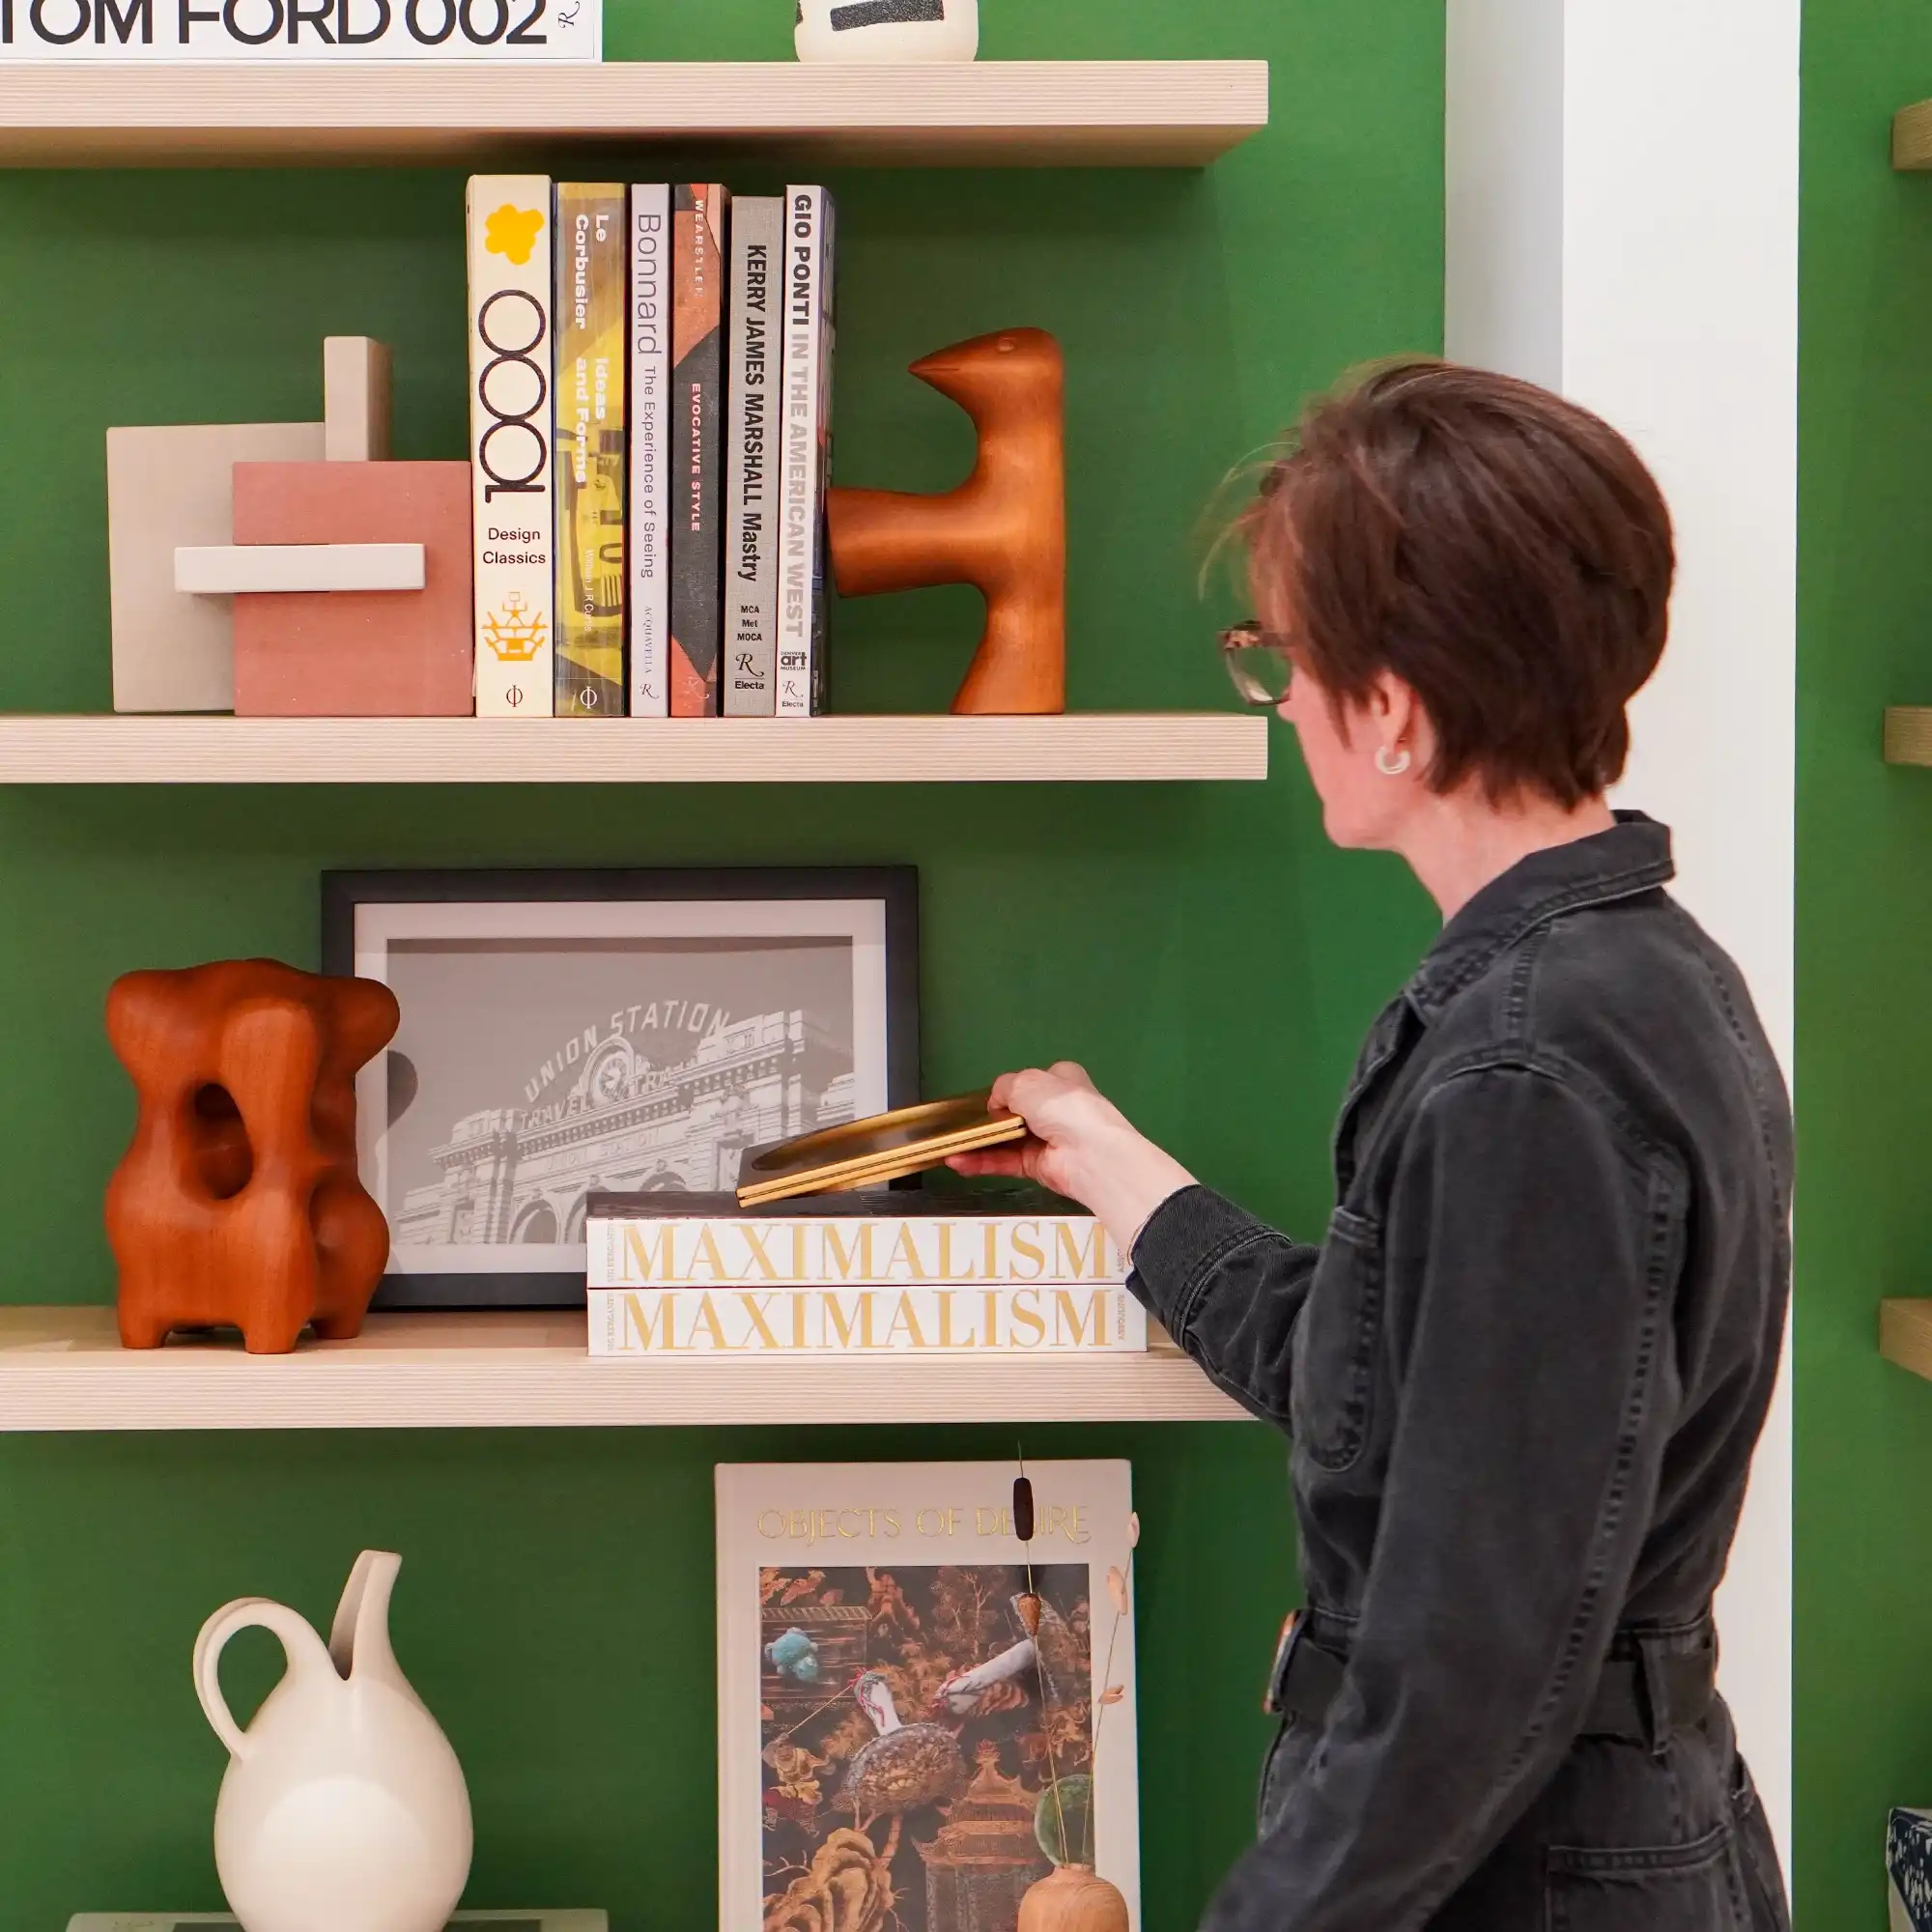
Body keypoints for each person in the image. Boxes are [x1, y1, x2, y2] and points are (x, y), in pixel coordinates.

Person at [952, 361, 1792, 1930]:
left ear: (1393, 712)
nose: (1283, 702)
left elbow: (1462, 1677)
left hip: (1519, 1879)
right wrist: (1112, 1168)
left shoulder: (1527, 1070)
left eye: (1285, 658)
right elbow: (1381, 1389)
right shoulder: (1642, 976)